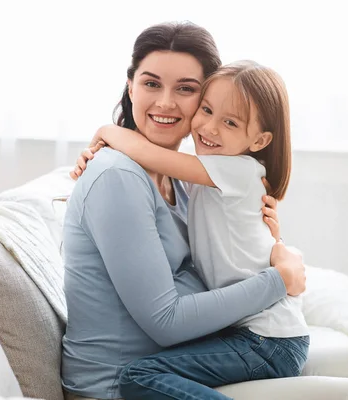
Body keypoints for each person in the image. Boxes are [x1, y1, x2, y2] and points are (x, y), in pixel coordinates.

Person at [64, 21, 348, 400]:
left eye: (186, 89)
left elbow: (231, 247)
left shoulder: (189, 180)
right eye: (151, 84)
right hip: (130, 384)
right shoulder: (117, 177)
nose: (166, 103)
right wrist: (278, 279)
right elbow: (165, 321)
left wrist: (276, 246)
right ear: (131, 87)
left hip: (194, 360)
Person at [79, 60, 310, 400]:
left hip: (266, 340)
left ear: (260, 140)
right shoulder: (207, 173)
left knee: (140, 375)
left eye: (230, 122)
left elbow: (151, 154)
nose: (209, 128)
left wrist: (106, 132)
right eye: (206, 110)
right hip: (257, 334)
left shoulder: (235, 170)